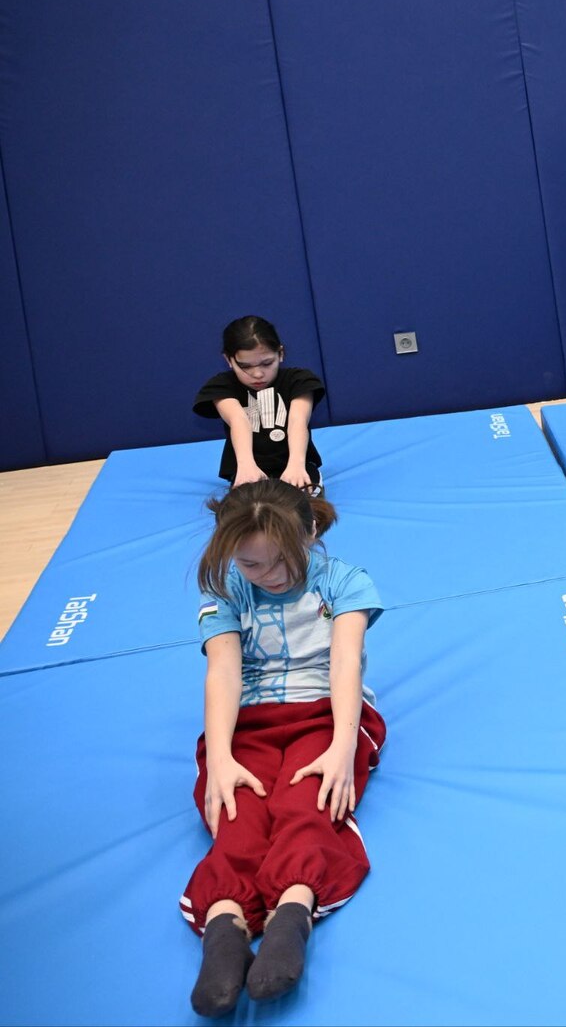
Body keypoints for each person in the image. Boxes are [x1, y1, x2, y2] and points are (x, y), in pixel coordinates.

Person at [183, 480, 383, 1017]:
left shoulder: (344, 582)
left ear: (310, 533)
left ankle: (290, 915)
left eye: (281, 561)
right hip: (250, 721)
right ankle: (224, 927)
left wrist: (341, 746)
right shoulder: (227, 586)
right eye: (251, 564)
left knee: (306, 803)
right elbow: (223, 671)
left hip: (325, 712)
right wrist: (221, 758)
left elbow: (344, 664)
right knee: (238, 812)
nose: (268, 576)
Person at [193, 316, 325, 491]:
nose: (257, 374)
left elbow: (297, 420)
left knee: (301, 504)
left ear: (280, 353)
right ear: (228, 360)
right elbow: (239, 420)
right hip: (246, 468)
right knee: (249, 508)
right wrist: (246, 467)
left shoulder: (299, 381)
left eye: (267, 363)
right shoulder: (222, 386)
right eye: (245, 366)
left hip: (297, 464)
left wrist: (296, 465)